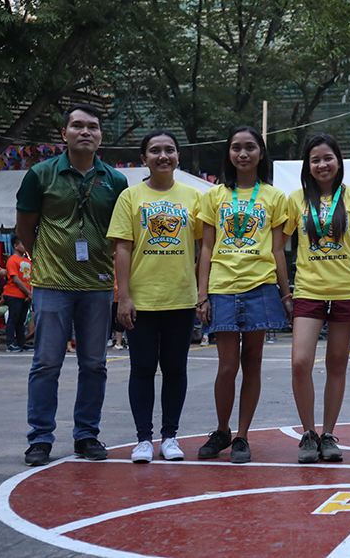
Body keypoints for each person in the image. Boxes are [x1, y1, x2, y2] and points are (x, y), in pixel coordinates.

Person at [16, 103, 129, 466]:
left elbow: (121, 233)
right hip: (51, 285)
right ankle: (40, 438)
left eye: (92, 127)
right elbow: (25, 227)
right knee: (46, 363)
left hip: (97, 285)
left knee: (94, 364)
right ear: (63, 134)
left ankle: (87, 435)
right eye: (77, 126)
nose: (85, 132)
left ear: (100, 136)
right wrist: (45, 260)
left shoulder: (115, 180)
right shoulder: (40, 174)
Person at [195, 126, 292, 463]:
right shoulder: (214, 196)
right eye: (236, 148)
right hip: (222, 287)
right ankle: (221, 430)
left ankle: (242, 436)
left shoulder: (274, 197)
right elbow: (206, 247)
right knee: (227, 366)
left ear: (261, 153)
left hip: (260, 287)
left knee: (253, 363)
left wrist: (285, 293)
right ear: (229, 154)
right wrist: (202, 295)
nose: (243, 154)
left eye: (250, 147)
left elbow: (278, 250)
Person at [107, 130, 203, 464]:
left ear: (178, 156)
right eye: (155, 151)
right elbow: (122, 247)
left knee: (175, 368)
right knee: (143, 368)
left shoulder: (194, 196)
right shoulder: (129, 197)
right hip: (142, 301)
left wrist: (201, 293)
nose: (163, 156)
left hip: (181, 298)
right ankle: (143, 440)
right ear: (144, 158)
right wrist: (124, 296)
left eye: (170, 150)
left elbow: (204, 248)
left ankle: (170, 437)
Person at [284, 134, 350, 463]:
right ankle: (308, 434)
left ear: (338, 162)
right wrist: (285, 289)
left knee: (337, 365)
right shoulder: (295, 199)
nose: (322, 164)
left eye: (328, 158)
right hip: (308, 290)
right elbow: (275, 246)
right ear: (307, 166)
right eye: (315, 160)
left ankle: (327, 434)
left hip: (347, 290)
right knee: (300, 363)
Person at [4, 235, 33, 353]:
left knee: (21, 320)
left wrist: (29, 293)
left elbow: (31, 278)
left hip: (25, 295)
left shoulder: (27, 261)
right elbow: (15, 279)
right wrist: (28, 293)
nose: (25, 246)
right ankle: (10, 343)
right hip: (14, 294)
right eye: (22, 244)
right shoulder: (12, 260)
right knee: (13, 318)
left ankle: (21, 342)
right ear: (15, 246)